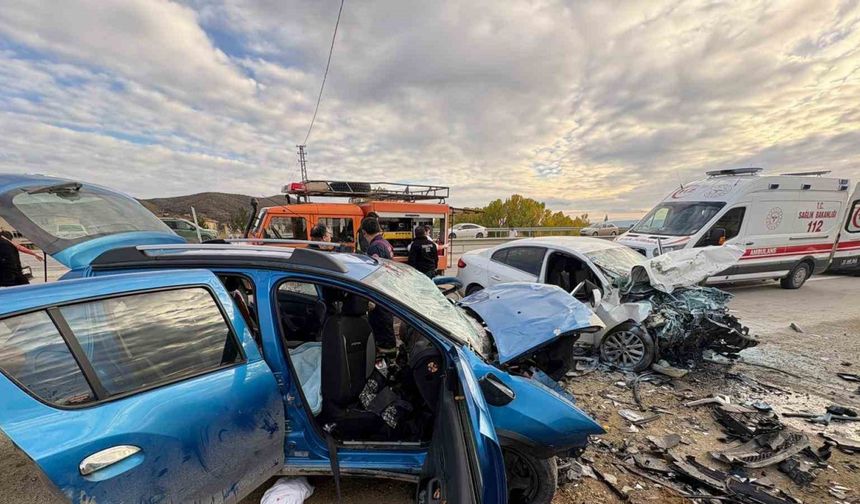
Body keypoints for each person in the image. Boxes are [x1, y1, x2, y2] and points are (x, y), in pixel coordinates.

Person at [360, 217, 396, 353]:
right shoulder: (385, 243)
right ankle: (390, 350)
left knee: (381, 324)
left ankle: (387, 352)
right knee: (386, 322)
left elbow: (374, 273)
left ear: (364, 232)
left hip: (380, 292)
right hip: (387, 289)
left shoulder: (375, 247)